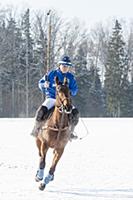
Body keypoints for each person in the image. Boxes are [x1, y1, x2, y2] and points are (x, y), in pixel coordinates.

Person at [31, 55, 79, 139]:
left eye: (67, 66)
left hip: (64, 100)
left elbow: (75, 90)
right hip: (52, 98)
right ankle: (36, 129)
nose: (65, 68)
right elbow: (40, 83)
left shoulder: (71, 77)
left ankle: (70, 132)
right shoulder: (51, 74)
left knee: (75, 113)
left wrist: (69, 92)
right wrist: (44, 84)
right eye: (63, 66)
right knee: (41, 111)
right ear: (59, 65)